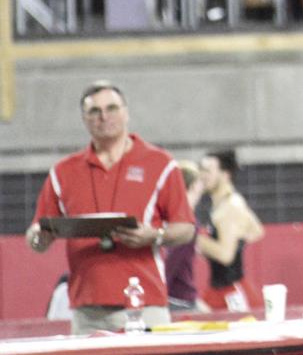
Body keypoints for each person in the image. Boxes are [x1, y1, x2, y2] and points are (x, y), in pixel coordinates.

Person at [24, 81, 196, 334]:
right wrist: (39, 238)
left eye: (112, 108)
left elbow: (186, 228)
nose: (104, 117)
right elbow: (37, 233)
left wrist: (155, 236)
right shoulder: (63, 171)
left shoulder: (160, 163)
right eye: (95, 111)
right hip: (87, 312)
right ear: (84, 119)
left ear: (126, 113)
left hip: (145, 305)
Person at [196, 150, 265, 311]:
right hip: (219, 288)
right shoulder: (230, 201)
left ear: (225, 175)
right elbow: (256, 230)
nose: (202, 175)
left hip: (230, 291)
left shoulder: (229, 207)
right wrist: (236, 239)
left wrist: (195, 238)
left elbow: (225, 256)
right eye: (201, 169)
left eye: (207, 171)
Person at [165, 159, 206, 313]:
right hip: (179, 300)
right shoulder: (186, 222)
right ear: (195, 185)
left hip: (176, 297)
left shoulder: (172, 217)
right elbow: (171, 263)